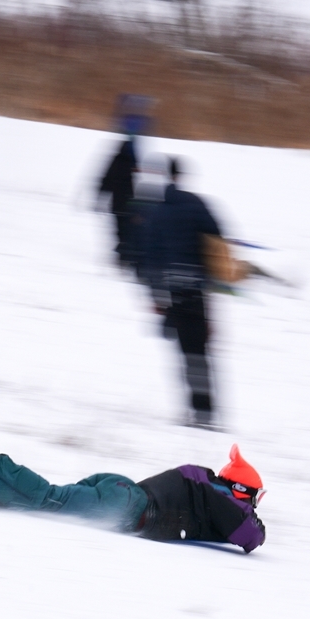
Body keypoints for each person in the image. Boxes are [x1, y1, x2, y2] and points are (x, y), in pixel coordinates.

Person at [0, 426, 267, 553]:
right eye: (254, 497)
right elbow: (249, 536)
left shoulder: (205, 482)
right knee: (47, 499)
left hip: (121, 489)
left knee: (41, 504)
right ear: (239, 490)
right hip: (128, 506)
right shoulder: (221, 498)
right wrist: (254, 517)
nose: (254, 506)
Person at [143, 158, 248, 429]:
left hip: (173, 293)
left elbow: (151, 258)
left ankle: (193, 410)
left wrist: (155, 296)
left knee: (185, 353)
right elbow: (218, 241)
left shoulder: (157, 212)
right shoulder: (199, 205)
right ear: (181, 176)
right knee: (201, 351)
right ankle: (206, 412)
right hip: (197, 291)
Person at [98, 137, 139, 269]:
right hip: (129, 205)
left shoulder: (115, 161)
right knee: (127, 231)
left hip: (117, 205)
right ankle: (124, 257)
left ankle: (122, 257)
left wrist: (100, 197)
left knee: (120, 231)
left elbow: (106, 180)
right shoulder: (133, 163)